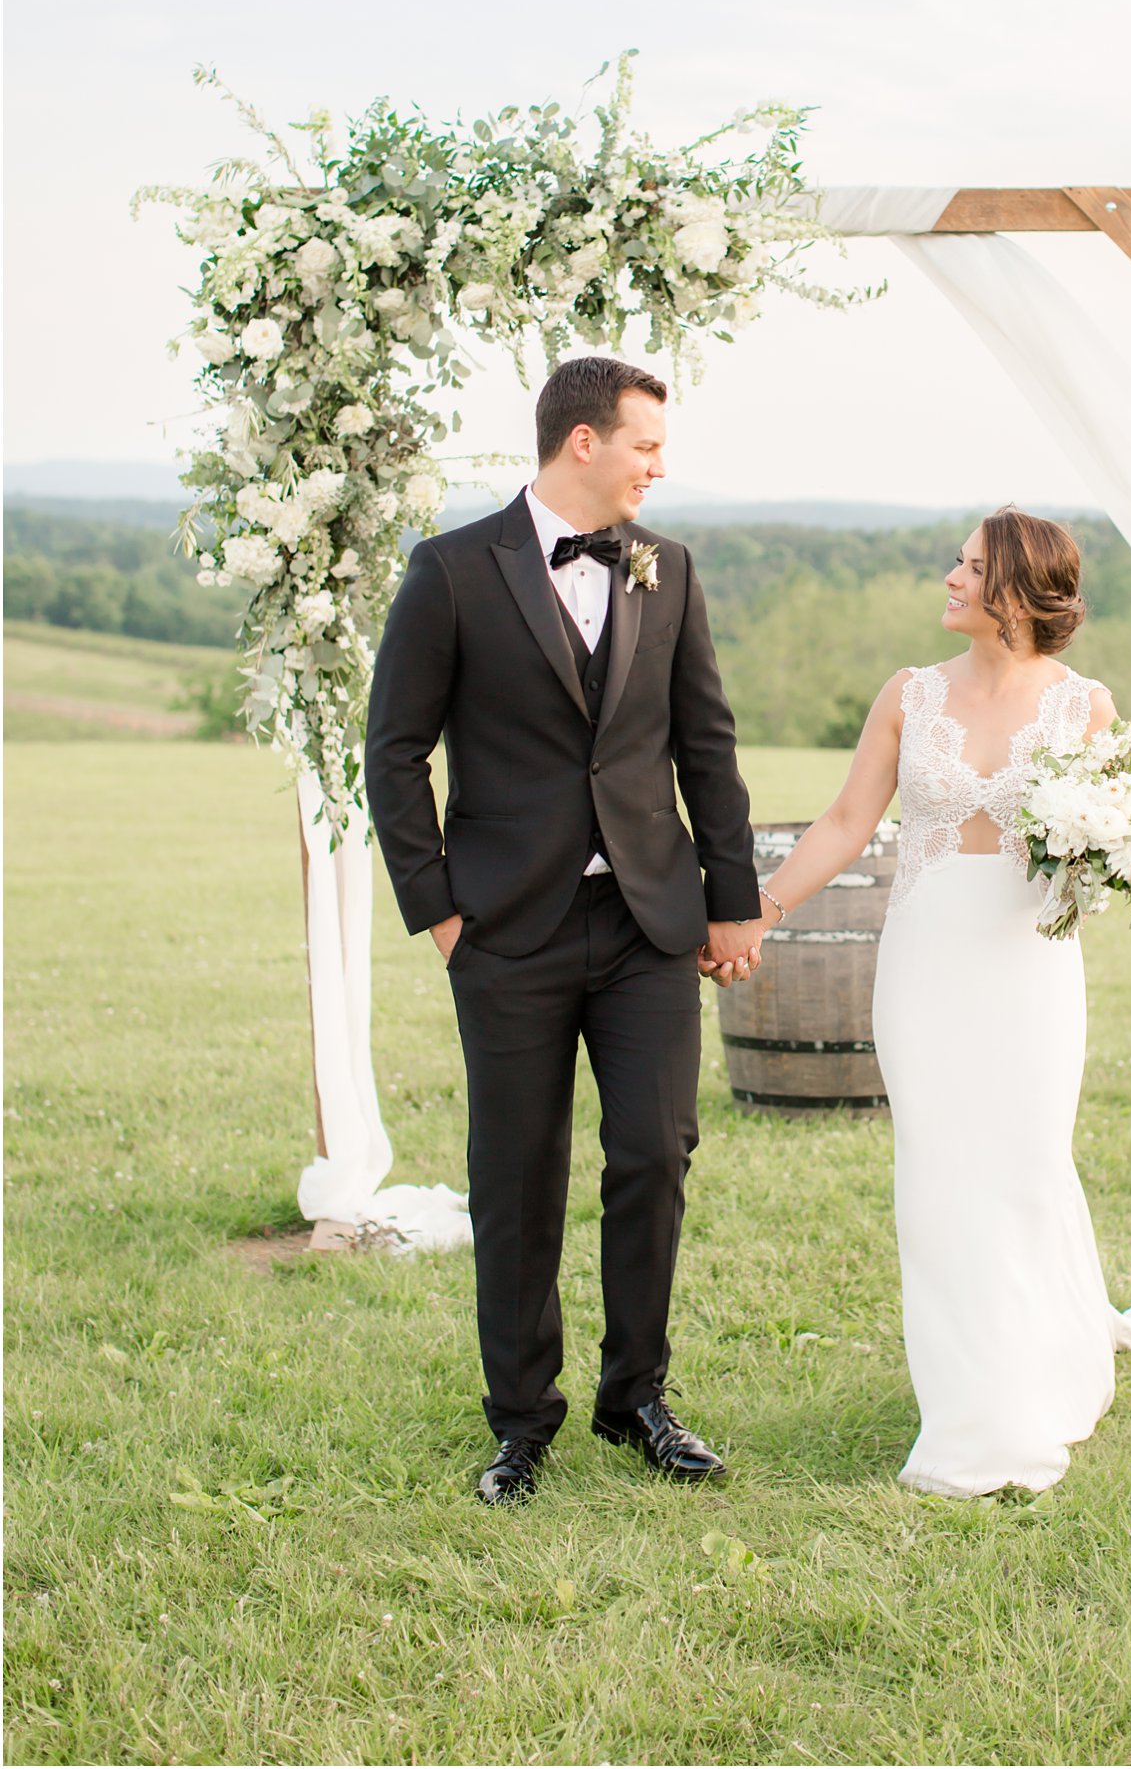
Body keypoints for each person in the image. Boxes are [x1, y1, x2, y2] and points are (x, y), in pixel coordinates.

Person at [365, 356, 763, 1503]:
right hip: (507, 930)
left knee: (652, 1152)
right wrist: (438, 911)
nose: (659, 465)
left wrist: (729, 897)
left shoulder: (667, 568)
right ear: (580, 442)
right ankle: (520, 1421)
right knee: (516, 1176)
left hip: (645, 920)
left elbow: (706, 747)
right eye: (644, 444)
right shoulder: (450, 572)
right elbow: (394, 751)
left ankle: (634, 1397)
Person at [749, 506, 1131, 1496]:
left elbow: (1118, 843)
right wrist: (761, 909)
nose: (948, 578)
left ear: (1017, 593)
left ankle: (1044, 1367)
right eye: (954, 561)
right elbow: (850, 818)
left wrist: (1109, 852)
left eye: (969, 566)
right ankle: (969, 1414)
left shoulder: (1085, 708)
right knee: (940, 1176)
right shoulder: (908, 695)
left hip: (1029, 967)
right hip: (924, 963)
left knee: (1023, 1166)